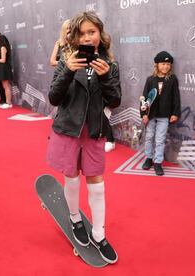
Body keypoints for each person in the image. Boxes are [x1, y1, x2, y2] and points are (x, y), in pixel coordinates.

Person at [47, 11, 121, 264]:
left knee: (97, 184)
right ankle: (75, 218)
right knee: (71, 178)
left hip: (94, 131)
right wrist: (67, 71)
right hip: (68, 130)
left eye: (92, 32)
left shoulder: (110, 65)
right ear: (74, 38)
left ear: (100, 34)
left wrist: (106, 77)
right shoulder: (65, 61)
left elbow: (115, 100)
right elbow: (54, 98)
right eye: (81, 34)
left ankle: (99, 234)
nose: (87, 38)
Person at [140, 51, 181, 176]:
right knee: (149, 137)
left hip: (164, 116)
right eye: (163, 64)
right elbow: (144, 98)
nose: (166, 66)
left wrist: (175, 113)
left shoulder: (172, 79)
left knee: (160, 139)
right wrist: (144, 115)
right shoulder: (150, 79)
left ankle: (157, 162)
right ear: (157, 65)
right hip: (151, 115)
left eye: (168, 64)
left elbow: (176, 97)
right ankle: (148, 158)